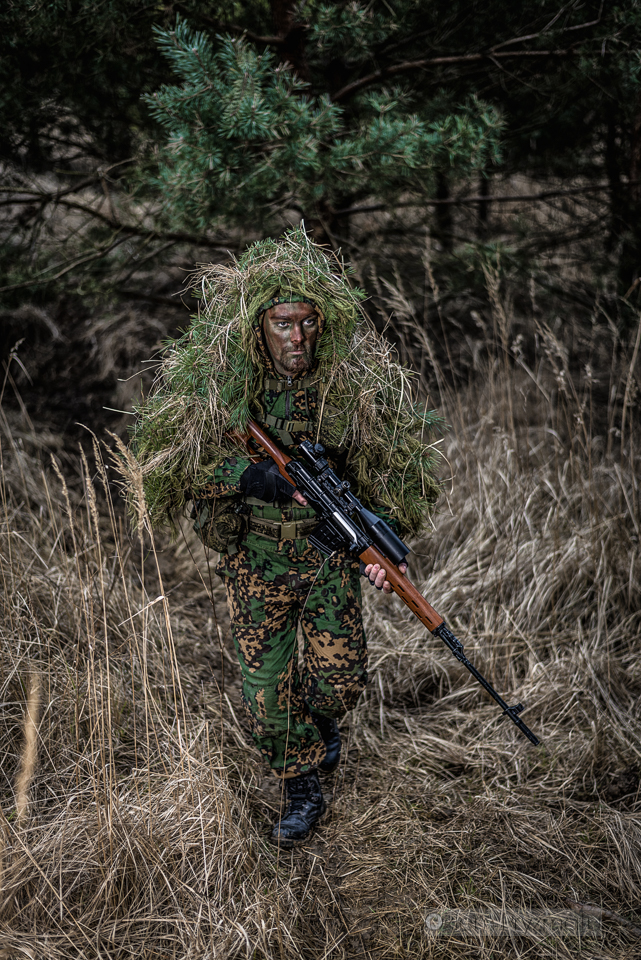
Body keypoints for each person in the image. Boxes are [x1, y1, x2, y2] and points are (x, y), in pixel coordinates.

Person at [130, 227, 441, 847]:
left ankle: (319, 727)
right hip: (259, 563)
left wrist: (381, 553)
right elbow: (175, 458)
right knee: (268, 691)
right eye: (282, 323)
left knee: (339, 683)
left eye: (306, 323)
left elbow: (387, 478)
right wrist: (252, 478)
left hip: (330, 562)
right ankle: (301, 787)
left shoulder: (345, 390)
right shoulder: (227, 387)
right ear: (258, 326)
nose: (296, 338)